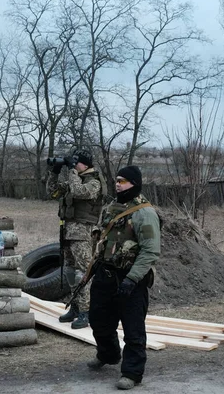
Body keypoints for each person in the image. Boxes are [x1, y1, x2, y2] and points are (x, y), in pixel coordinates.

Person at [87, 165, 161, 390]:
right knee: (98, 320)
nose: (118, 184)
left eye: (123, 181)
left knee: (133, 329)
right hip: (105, 274)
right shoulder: (111, 208)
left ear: (134, 184)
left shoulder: (144, 213)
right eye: (117, 180)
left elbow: (150, 250)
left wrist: (132, 279)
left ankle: (132, 373)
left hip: (131, 278)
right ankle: (108, 354)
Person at [46, 148, 106, 329]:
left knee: (83, 272)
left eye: (76, 162)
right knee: (71, 271)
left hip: (83, 232)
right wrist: (54, 172)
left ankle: (86, 312)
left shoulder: (94, 181)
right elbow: (53, 192)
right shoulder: (75, 179)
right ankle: (75, 306)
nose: (73, 166)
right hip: (68, 232)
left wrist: (71, 171)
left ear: (84, 164)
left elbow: (80, 192)